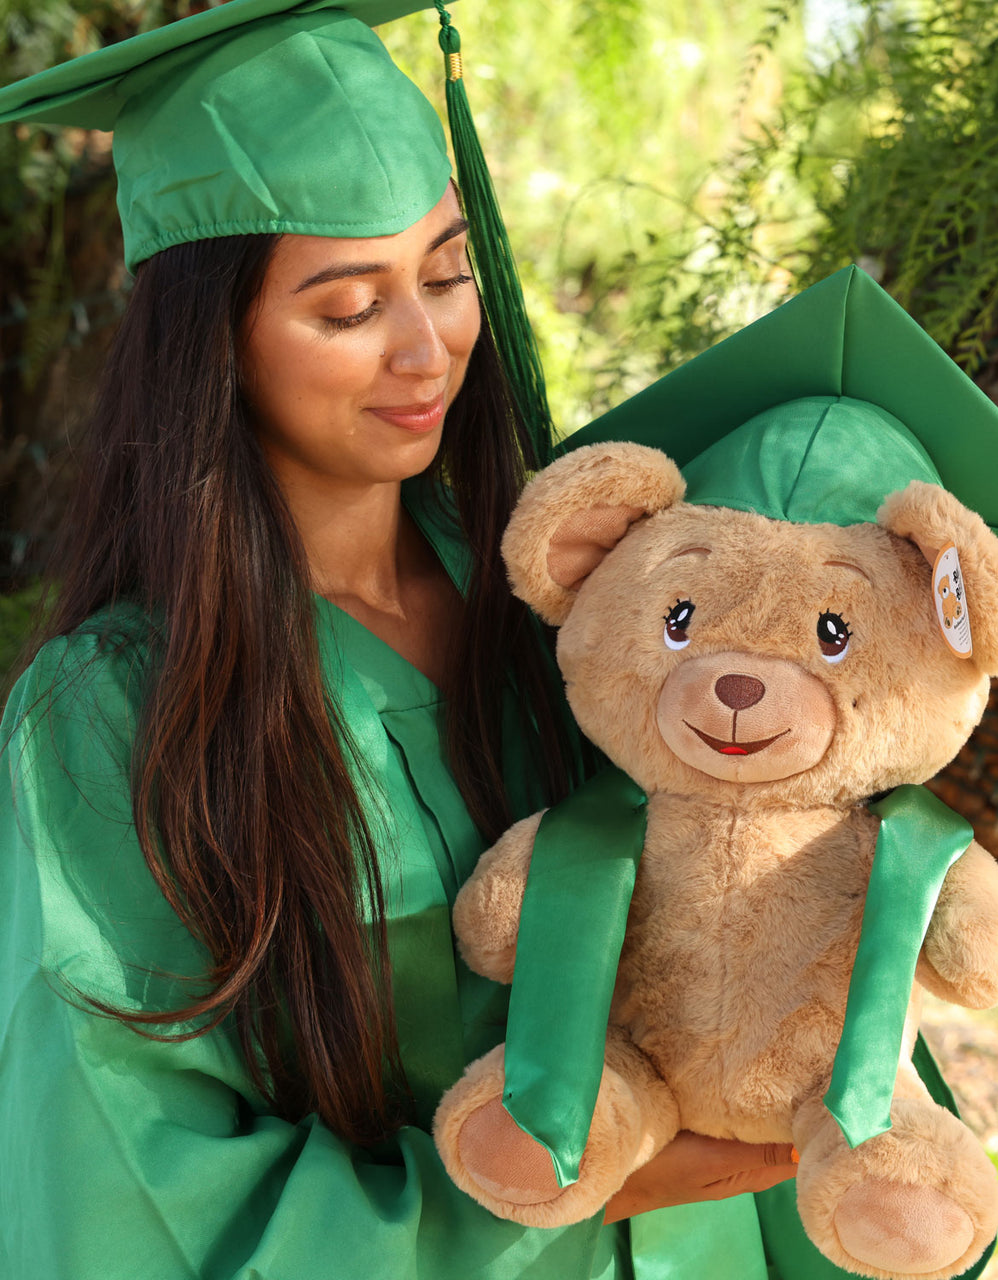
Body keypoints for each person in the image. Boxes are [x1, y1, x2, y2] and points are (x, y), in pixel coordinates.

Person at [0, 2, 810, 1277]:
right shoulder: (108, 713)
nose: (427, 349)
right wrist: (552, 1198)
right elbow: (130, 1166)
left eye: (443, 275)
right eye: (346, 309)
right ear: (214, 345)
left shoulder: (583, 596)